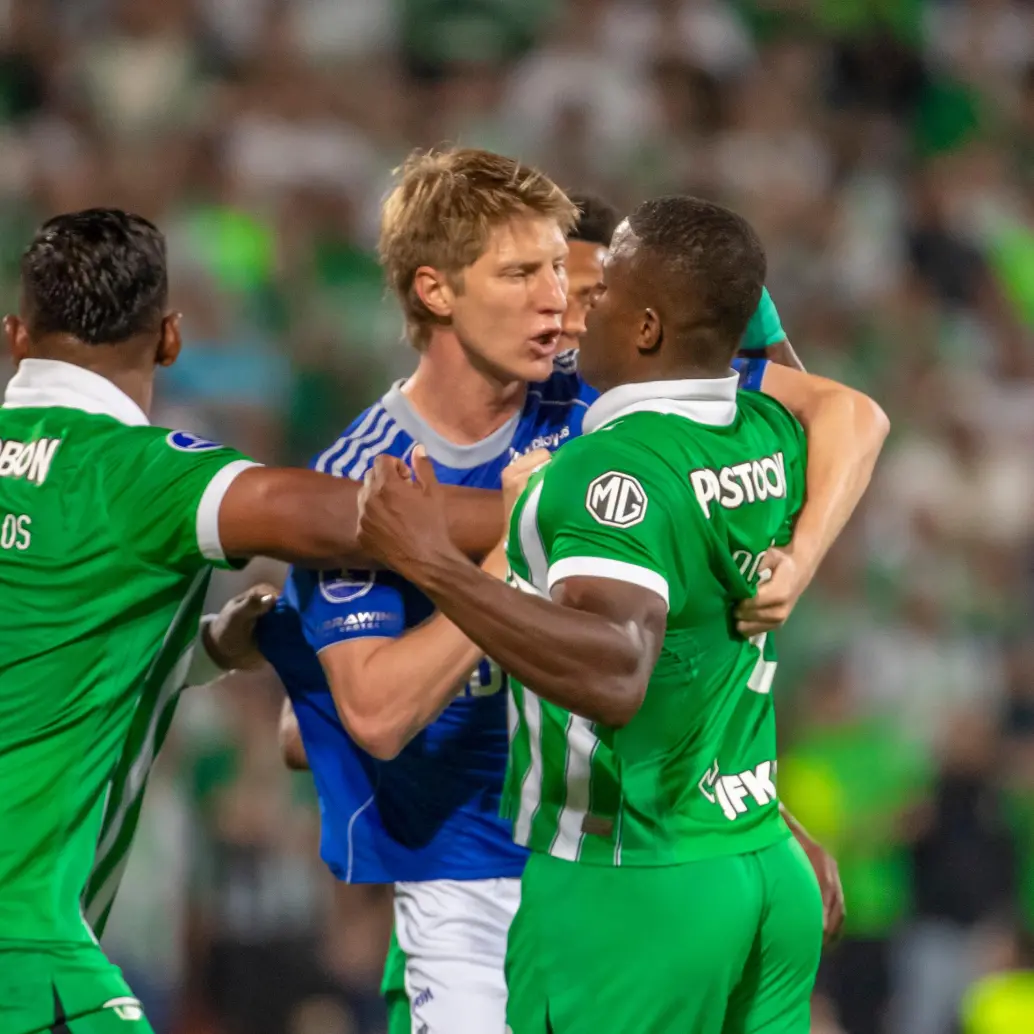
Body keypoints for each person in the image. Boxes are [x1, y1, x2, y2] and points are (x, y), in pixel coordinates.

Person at [209, 148, 881, 1033]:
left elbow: (844, 413)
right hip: (471, 888)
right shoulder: (369, 476)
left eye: (562, 271)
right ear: (437, 292)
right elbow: (375, 711)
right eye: (524, 273)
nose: (559, 300)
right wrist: (506, 555)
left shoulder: (601, 389)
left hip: (639, 851)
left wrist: (750, 800)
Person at [0, 208, 505, 1034]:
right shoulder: (138, 476)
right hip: (26, 957)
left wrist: (198, 651)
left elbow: (39, 629)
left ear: (17, 334)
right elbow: (337, 515)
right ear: (169, 339)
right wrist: (540, 511)